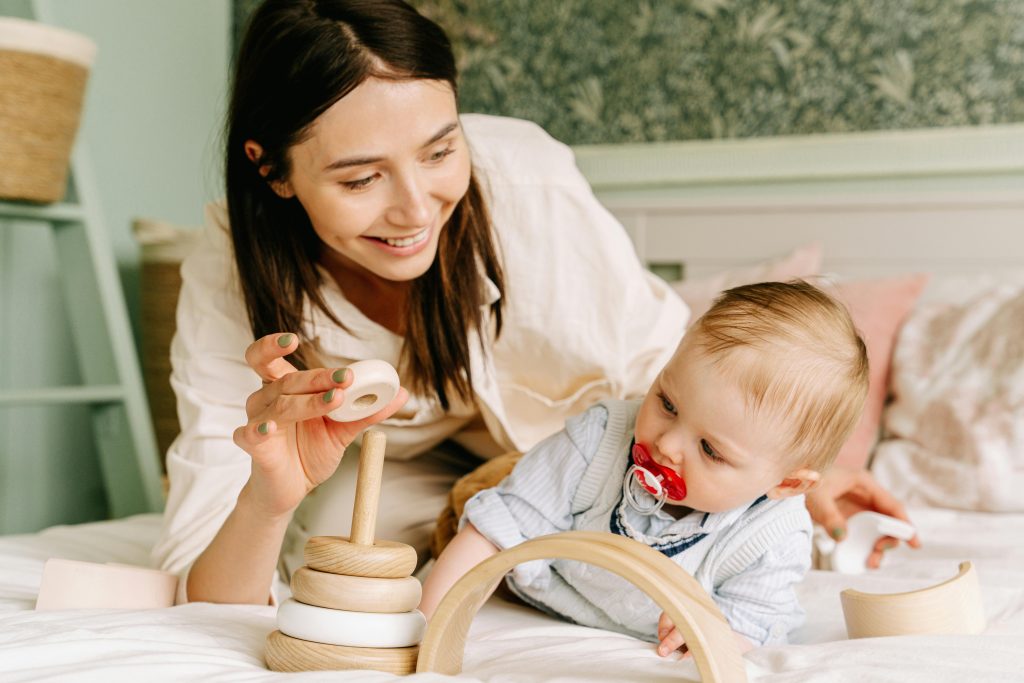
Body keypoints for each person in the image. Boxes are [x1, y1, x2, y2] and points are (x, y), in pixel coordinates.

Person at [151, 0, 917, 607]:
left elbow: (670, 379)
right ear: (272, 169)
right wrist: (268, 493)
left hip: (585, 458)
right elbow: (205, 586)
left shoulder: (530, 185)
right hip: (408, 473)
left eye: (441, 150)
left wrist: (765, 474)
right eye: (360, 180)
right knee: (337, 552)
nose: (417, 209)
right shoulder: (232, 269)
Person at [421, 281, 869, 655]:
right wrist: (426, 631)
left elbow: (753, 623)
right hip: (547, 585)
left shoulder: (774, 534)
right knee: (479, 504)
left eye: (710, 450)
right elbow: (491, 532)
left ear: (787, 482)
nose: (667, 444)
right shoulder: (600, 439)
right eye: (667, 403)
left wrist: (716, 636)